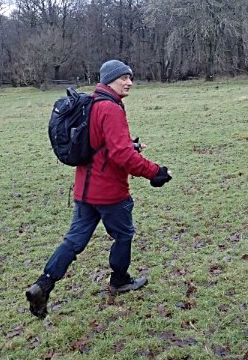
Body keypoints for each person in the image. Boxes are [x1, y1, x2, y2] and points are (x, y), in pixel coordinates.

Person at [26, 60, 172, 318]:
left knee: (73, 241)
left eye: (130, 77)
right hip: (110, 192)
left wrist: (131, 146)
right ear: (108, 80)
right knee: (124, 235)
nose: (129, 82)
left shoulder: (90, 104)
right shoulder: (110, 109)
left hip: (84, 190)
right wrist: (154, 172)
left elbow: (100, 144)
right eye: (122, 78)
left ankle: (44, 283)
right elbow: (121, 156)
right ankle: (120, 280)